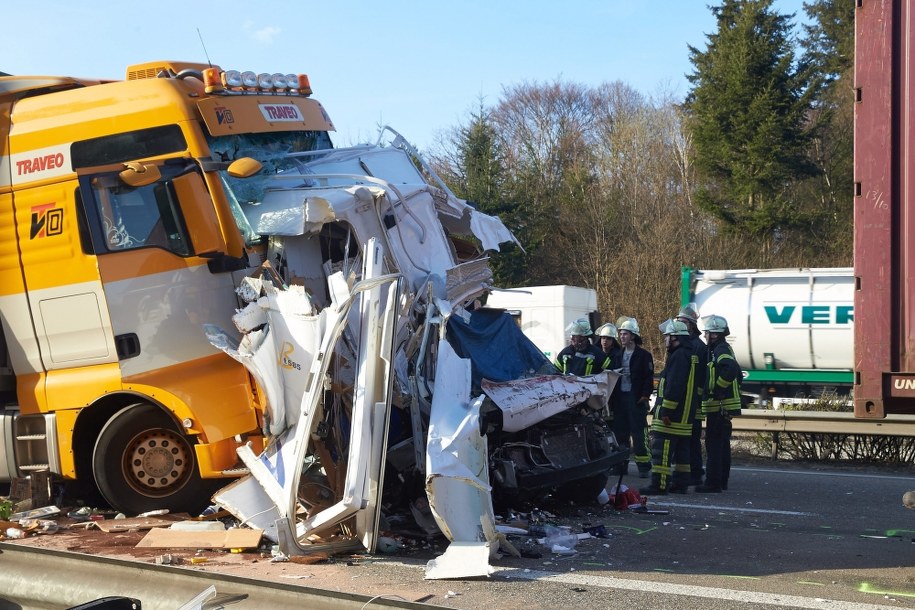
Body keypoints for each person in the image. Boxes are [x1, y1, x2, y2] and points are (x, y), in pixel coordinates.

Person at [640, 319, 700, 495]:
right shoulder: (690, 354)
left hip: (673, 415)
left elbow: (674, 386)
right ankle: (680, 483)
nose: (665, 339)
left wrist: (666, 410)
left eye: (667, 336)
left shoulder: (679, 356)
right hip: (685, 415)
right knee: (682, 451)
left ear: (675, 338)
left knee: (662, 448)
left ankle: (659, 484)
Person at [697, 314, 742, 493]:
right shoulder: (722, 348)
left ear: (714, 334)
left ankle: (713, 483)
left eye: (707, 333)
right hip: (722, 407)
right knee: (722, 445)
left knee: (714, 445)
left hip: (719, 406)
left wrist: (717, 389)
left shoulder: (720, 350)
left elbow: (730, 369)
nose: (705, 336)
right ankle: (721, 482)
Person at [614, 317, 655, 478]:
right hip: (620, 399)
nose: (622, 337)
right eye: (621, 334)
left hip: (636, 399)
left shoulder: (644, 355)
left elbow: (648, 378)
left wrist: (645, 396)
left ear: (633, 336)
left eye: (625, 334)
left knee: (639, 433)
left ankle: (644, 466)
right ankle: (620, 466)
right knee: (620, 433)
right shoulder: (618, 355)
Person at [676, 304, 708, 486]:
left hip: (693, 402)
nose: (679, 325)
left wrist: (695, 399)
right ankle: (690, 472)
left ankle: (695, 473)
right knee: (685, 439)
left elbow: (699, 377)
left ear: (690, 324)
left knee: (692, 439)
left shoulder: (697, 346)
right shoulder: (687, 344)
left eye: (682, 322)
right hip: (686, 401)